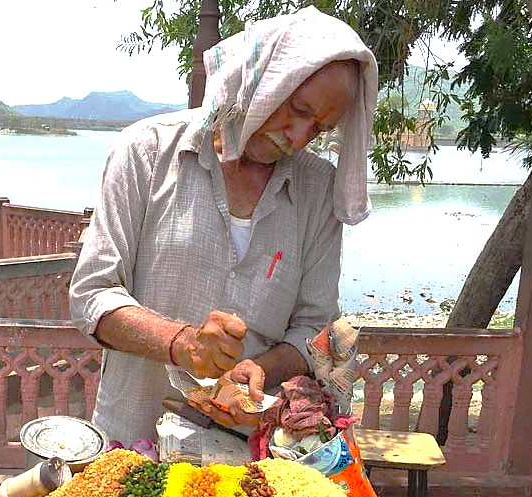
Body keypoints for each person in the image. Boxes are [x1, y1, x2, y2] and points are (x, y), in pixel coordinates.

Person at [69, 7, 378, 447]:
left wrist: (261, 370)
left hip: (246, 450)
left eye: (319, 127)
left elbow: (314, 327)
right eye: (297, 109)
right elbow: (92, 294)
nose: (299, 135)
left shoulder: (317, 192)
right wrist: (183, 343)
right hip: (131, 440)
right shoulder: (146, 152)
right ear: (261, 80)